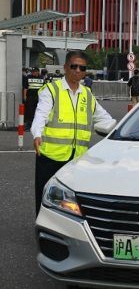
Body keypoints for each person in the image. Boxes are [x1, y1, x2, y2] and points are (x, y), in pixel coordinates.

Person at [31, 50, 115, 214]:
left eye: (82, 68)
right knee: (46, 196)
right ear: (65, 67)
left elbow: (105, 119)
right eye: (74, 66)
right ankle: (45, 231)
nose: (78, 71)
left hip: (77, 160)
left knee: (74, 202)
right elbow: (40, 114)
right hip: (51, 157)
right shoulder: (52, 90)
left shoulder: (87, 95)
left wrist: (125, 129)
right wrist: (37, 134)